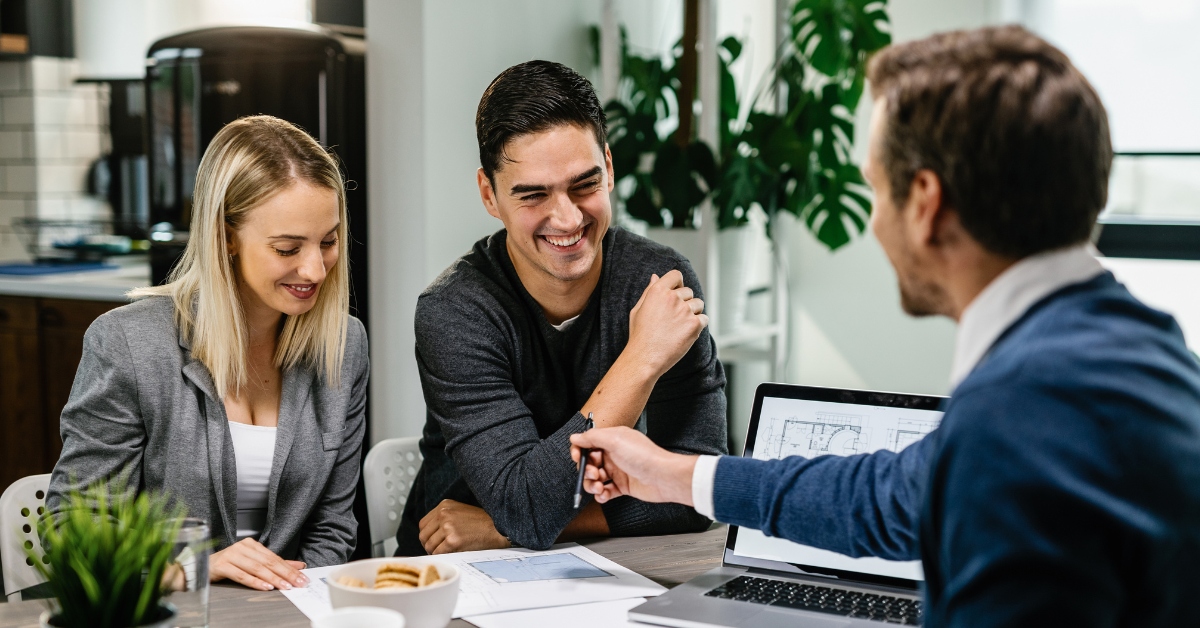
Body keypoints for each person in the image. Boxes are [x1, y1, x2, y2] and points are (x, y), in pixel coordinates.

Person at [571, 26, 1200, 627]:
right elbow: (891, 496)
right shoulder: (1129, 348)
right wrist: (673, 474)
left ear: (925, 203)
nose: (873, 223)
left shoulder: (1020, 417)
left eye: (875, 189)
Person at [396, 60, 728, 555]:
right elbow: (527, 506)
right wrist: (641, 361)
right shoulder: (455, 312)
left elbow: (700, 491)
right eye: (533, 195)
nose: (568, 218)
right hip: (459, 575)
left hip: (605, 570)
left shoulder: (659, 284)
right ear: (490, 194)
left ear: (609, 169)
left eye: (584, 185)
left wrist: (503, 524)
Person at [47, 115, 368, 592]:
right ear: (225, 237)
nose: (315, 269)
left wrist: (285, 605)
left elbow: (333, 527)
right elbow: (73, 534)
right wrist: (195, 569)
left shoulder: (343, 345)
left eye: (328, 241)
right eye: (287, 248)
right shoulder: (128, 345)